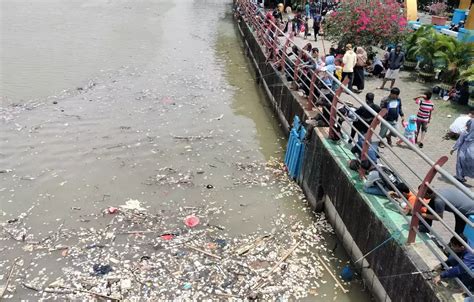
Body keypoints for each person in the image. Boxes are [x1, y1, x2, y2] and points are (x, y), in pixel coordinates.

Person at [451, 118, 474, 183]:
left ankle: (460, 177)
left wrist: (453, 149)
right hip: (472, 152)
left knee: (460, 163)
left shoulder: (465, 132)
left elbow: (459, 141)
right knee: (469, 164)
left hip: (463, 150)